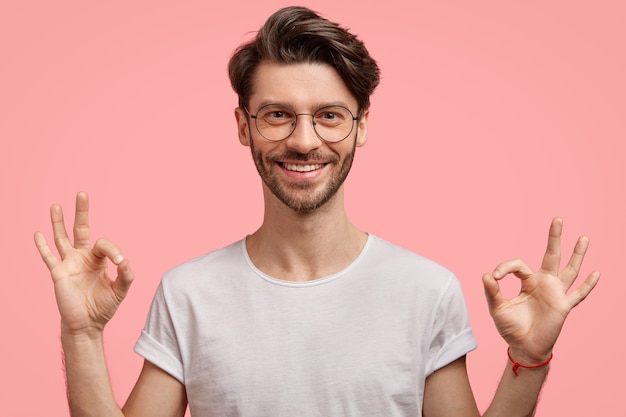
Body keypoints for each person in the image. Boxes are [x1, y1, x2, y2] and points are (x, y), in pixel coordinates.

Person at [34, 6, 600, 417]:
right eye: (278, 114)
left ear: (362, 126)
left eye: (329, 115)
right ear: (243, 127)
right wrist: (81, 333)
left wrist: (530, 356)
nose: (304, 141)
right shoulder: (189, 293)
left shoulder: (426, 291)